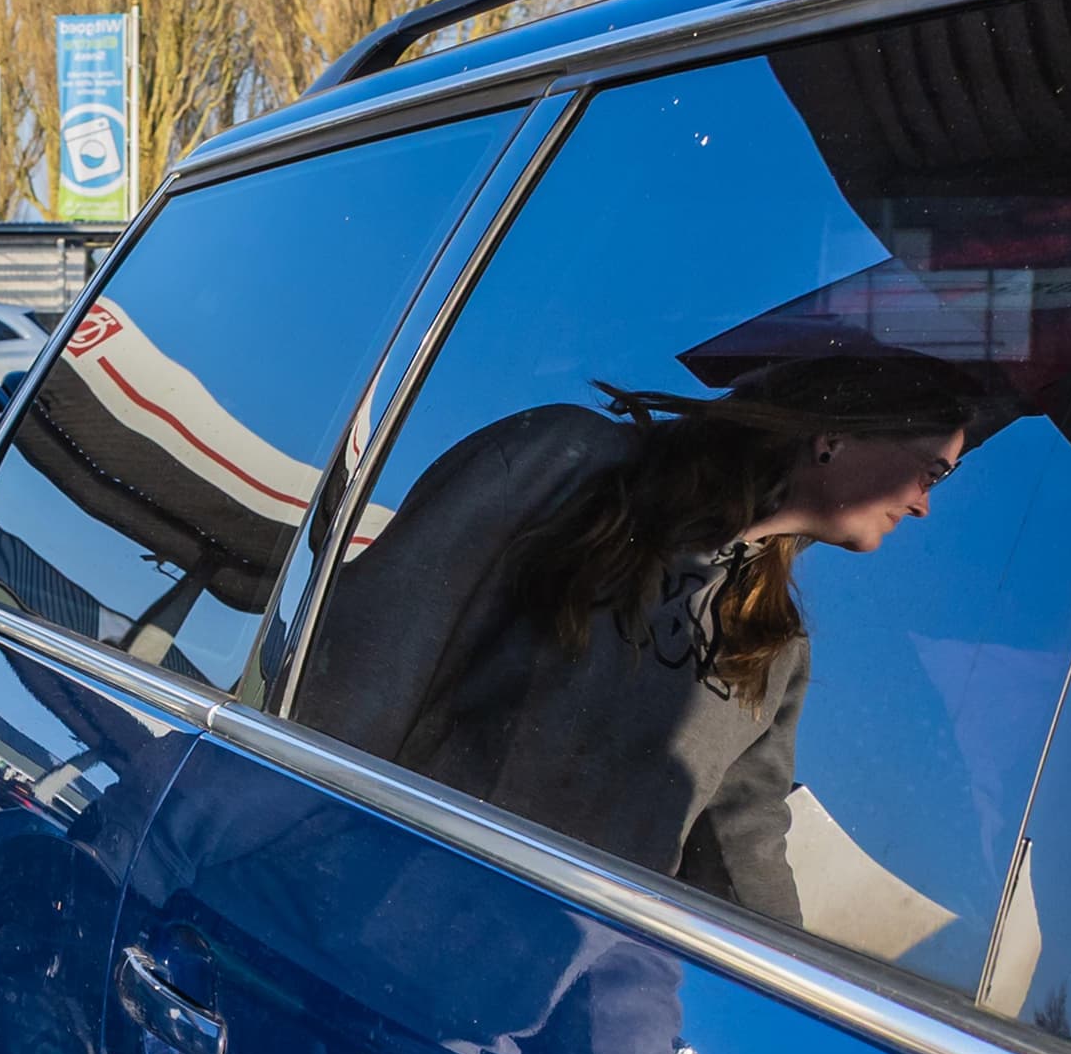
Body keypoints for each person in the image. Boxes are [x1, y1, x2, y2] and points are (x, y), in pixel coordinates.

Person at [302, 348, 981, 920]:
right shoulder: (561, 460)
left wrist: (795, 1006)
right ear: (838, 431)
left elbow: (743, 851)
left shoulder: (773, 644)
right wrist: (294, 868)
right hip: (353, 918)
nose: (925, 504)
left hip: (547, 1016)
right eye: (934, 469)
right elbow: (365, 662)